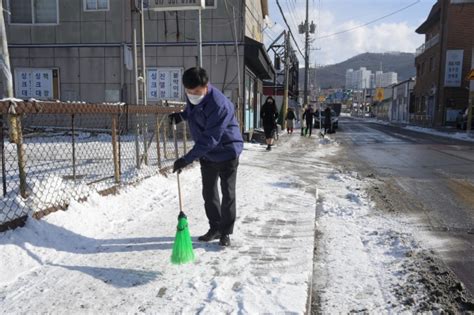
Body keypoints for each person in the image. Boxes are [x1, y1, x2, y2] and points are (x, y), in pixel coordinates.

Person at [169, 67, 243, 247]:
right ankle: (215, 227)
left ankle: (225, 232)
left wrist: (186, 160)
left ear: (205, 86)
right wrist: (181, 116)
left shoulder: (219, 105)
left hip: (227, 151)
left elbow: (209, 139)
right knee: (209, 193)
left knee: (228, 193)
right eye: (188, 91)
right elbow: (192, 110)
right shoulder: (193, 95)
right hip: (208, 154)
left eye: (195, 91)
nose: (191, 95)